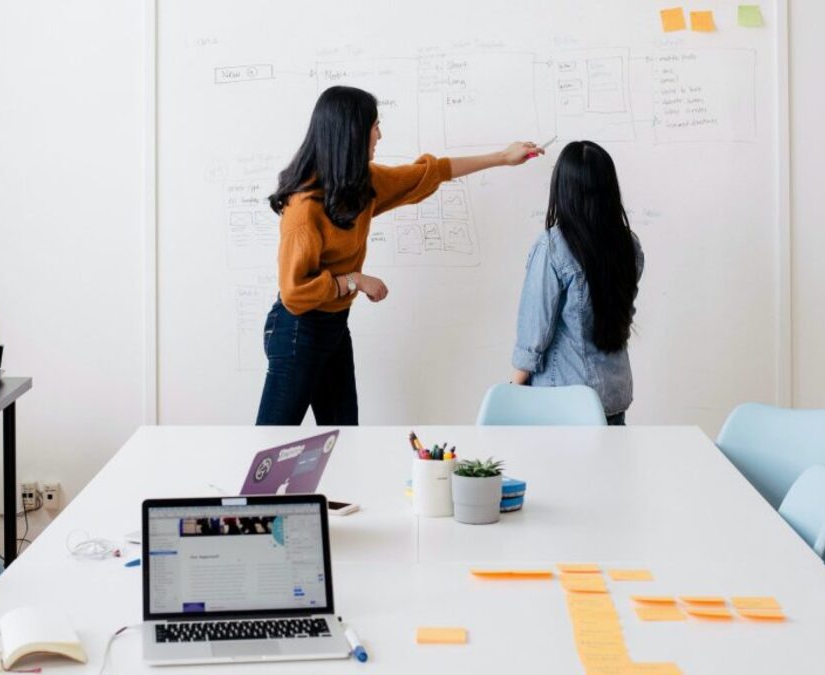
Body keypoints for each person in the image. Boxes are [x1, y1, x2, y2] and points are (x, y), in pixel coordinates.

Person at [257, 85, 542, 425]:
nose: (380, 134)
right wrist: (354, 280)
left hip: (333, 326)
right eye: (374, 126)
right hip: (296, 330)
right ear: (351, 132)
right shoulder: (304, 208)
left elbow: (429, 172)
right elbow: (294, 294)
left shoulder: (360, 185)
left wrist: (502, 157)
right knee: (273, 443)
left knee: (344, 439)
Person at [510, 141, 643, 426]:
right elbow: (623, 315)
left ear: (563, 188)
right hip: (613, 396)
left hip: (563, 401)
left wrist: (512, 390)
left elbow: (534, 334)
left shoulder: (553, 247)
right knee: (607, 471)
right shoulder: (628, 245)